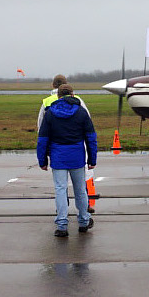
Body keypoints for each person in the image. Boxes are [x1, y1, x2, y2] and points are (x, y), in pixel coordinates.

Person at [37, 84, 97, 236]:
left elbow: (42, 139)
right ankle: (83, 220)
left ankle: (62, 224)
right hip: (77, 156)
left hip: (58, 157)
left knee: (60, 190)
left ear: (58, 96)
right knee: (80, 190)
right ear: (73, 95)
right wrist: (92, 158)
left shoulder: (50, 113)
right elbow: (91, 138)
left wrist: (42, 160)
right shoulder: (81, 112)